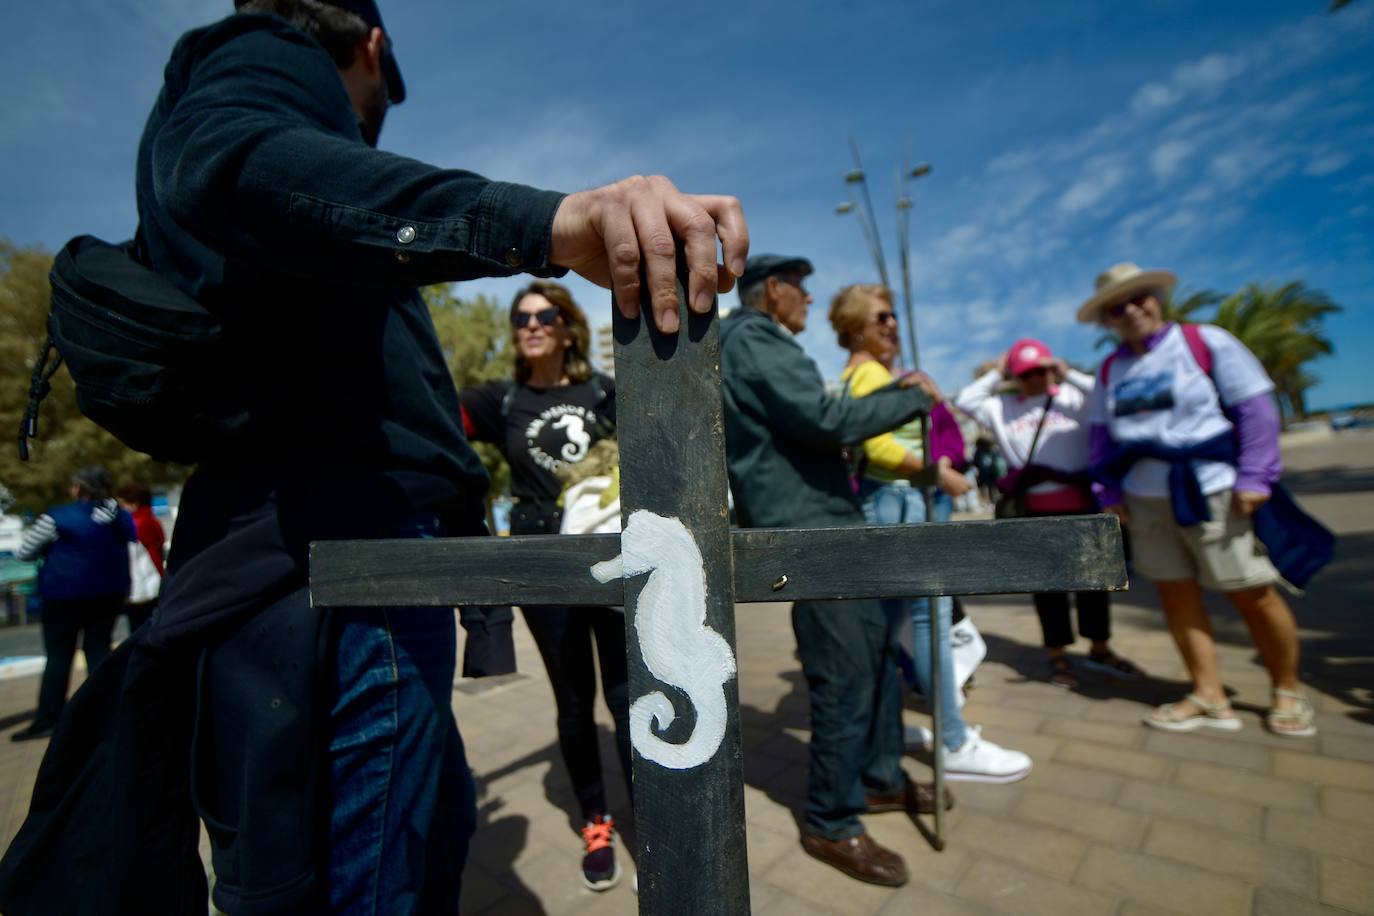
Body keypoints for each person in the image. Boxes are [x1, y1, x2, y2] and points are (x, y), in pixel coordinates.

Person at [0, 1, 747, 913]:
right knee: (354, 883)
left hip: (340, 561)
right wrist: (543, 225)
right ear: (371, 49)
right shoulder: (257, 56)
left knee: (417, 842)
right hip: (337, 570)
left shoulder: (297, 231)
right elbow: (232, 161)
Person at [720, 255, 947, 889]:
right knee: (845, 674)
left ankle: (877, 778)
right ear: (774, 290)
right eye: (802, 291)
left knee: (874, 661)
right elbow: (823, 421)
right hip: (809, 531)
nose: (810, 302)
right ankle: (831, 818)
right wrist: (904, 398)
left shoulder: (759, 341)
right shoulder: (754, 338)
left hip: (828, 522)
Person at [1080, 263, 1314, 738]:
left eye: (1138, 297)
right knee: (1174, 591)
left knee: (1250, 590)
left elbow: (1256, 411)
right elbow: (1102, 438)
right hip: (1145, 499)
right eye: (1116, 307)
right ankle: (1208, 691)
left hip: (1212, 489)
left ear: (1157, 298)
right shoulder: (1110, 368)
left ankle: (1287, 688)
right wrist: (1109, 492)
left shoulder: (1204, 342)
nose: (1130, 310)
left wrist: (1255, 477)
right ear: (1107, 319)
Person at [457, 282, 630, 891]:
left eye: (545, 315)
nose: (532, 324)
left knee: (628, 694)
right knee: (574, 701)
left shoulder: (606, 392)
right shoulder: (501, 399)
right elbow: (431, 415)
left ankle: (654, 819)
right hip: (540, 561)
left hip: (609, 557)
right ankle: (596, 821)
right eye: (521, 317)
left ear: (567, 326)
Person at [830, 284, 1031, 783]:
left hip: (892, 502)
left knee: (898, 628)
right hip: (898, 501)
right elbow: (876, 446)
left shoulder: (872, 374)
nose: (892, 325)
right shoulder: (868, 375)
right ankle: (954, 740)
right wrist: (938, 472)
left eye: (894, 317)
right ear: (856, 328)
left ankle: (891, 731)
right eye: (881, 318)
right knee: (931, 621)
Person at [956, 337, 1144, 690]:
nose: (1035, 379)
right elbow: (967, 401)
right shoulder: (1003, 407)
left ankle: (1100, 648)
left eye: (1041, 370)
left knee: (1094, 583)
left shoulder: (1075, 399)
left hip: (1082, 507)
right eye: (1026, 373)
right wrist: (998, 373)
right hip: (1035, 513)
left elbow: (1110, 396)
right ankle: (1057, 652)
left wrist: (1067, 373)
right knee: (1048, 589)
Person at [11, 468, 134, 742]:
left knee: (58, 657)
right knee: (99, 650)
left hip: (63, 595)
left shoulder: (58, 516)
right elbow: (131, 539)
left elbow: (24, 552)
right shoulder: (120, 517)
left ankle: (49, 719)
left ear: (78, 488)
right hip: (109, 593)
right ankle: (107, 714)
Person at [116, 483, 166, 633]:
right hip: (156, 580)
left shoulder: (133, 525)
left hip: (141, 587)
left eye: (122, 504)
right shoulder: (152, 520)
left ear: (133, 504)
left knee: (139, 630)